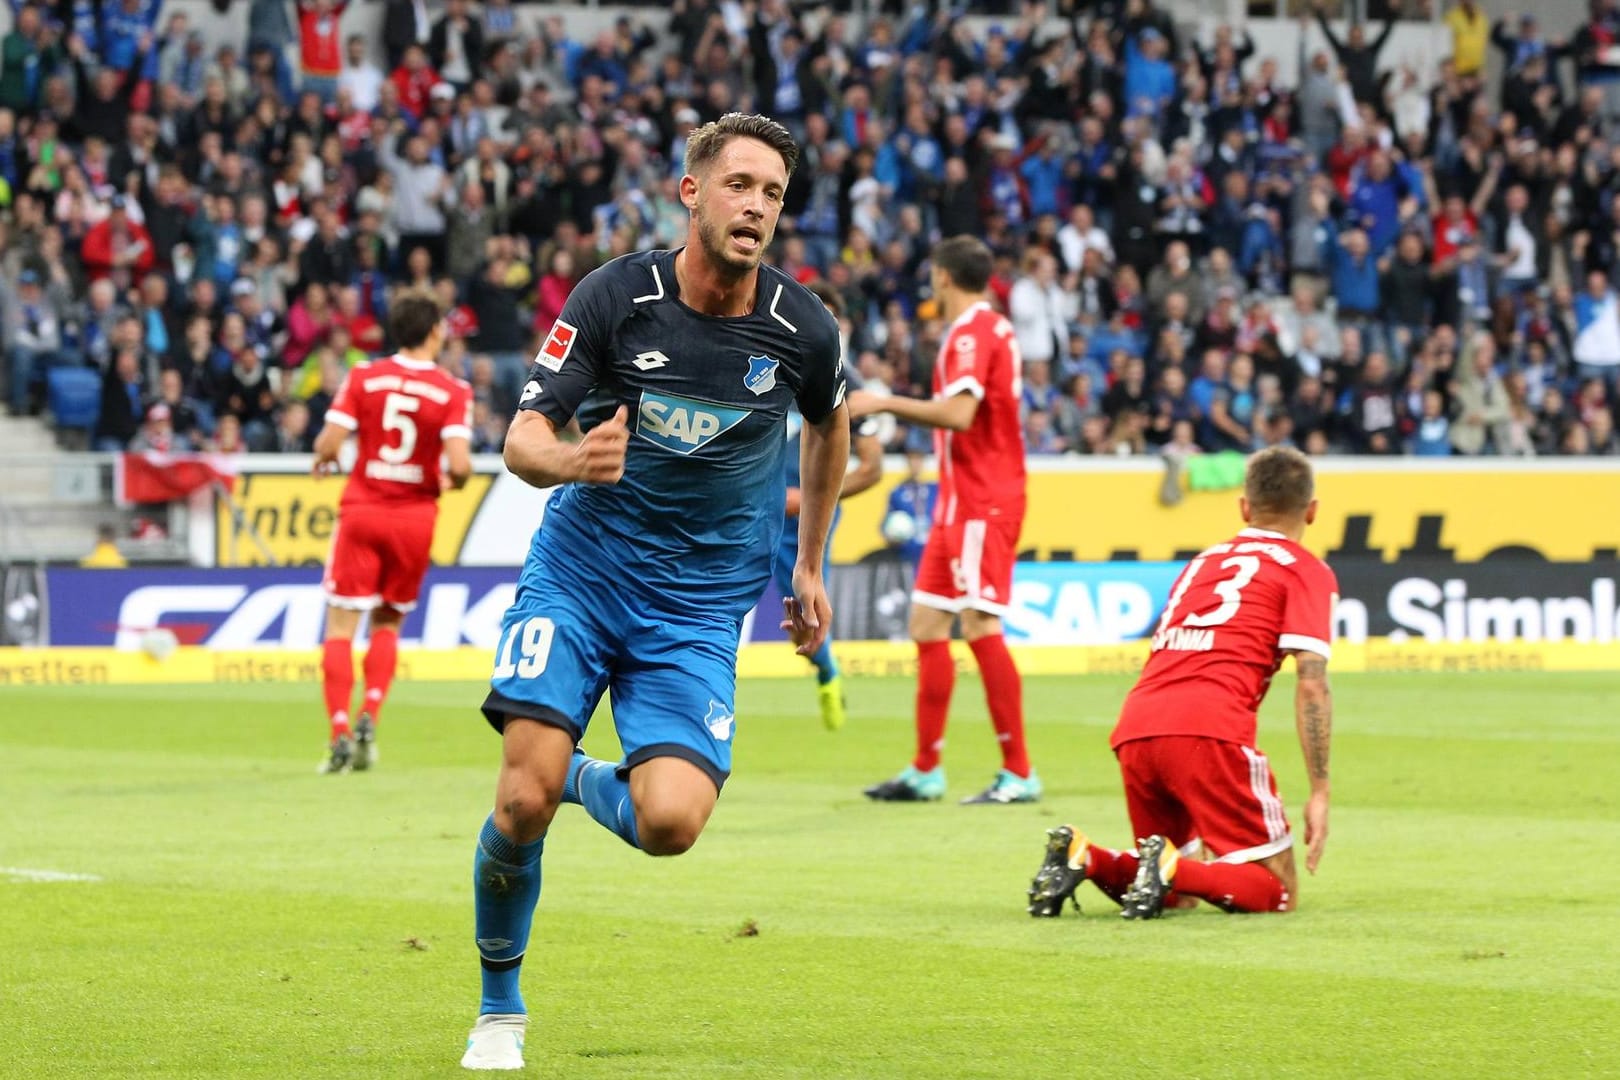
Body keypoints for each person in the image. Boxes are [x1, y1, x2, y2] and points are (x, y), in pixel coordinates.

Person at [461, 113, 848, 1072]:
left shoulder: (803, 330)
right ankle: (499, 1009)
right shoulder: (612, 298)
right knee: (519, 800)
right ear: (692, 192)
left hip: (698, 606)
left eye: (772, 193)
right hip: (584, 577)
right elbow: (522, 440)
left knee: (670, 823)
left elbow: (832, 430)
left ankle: (588, 780)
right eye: (740, 185)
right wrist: (570, 461)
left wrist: (807, 563)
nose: (756, 205)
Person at [1026, 446, 1337, 920]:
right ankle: (1168, 865)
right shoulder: (1304, 570)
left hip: (1137, 725)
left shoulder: (1201, 564)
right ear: (1311, 511)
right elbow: (1311, 681)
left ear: (1244, 508)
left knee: (1175, 892)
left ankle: (1088, 858)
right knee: (1275, 890)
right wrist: (1320, 791)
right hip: (1210, 729)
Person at [848, 236, 1040, 806]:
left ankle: (1020, 771)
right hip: (958, 502)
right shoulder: (988, 329)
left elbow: (960, 413)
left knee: (980, 626)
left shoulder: (973, 333)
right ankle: (926, 769)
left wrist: (884, 403)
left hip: (986, 500)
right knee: (927, 625)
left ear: (942, 278)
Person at [308, 293, 474, 774]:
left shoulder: (364, 377)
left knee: (340, 628)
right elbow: (460, 465)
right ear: (435, 333)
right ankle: (370, 714)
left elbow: (329, 442)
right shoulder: (452, 391)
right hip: (414, 519)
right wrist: (449, 479)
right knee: (387, 623)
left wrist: (325, 457)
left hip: (363, 510)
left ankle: (339, 730)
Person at [776, 280, 883, 731]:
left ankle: (827, 672)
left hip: (802, 519)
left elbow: (872, 468)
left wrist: (813, 498)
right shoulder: (767, 356)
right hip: (752, 503)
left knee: (805, 613)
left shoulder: (853, 387)